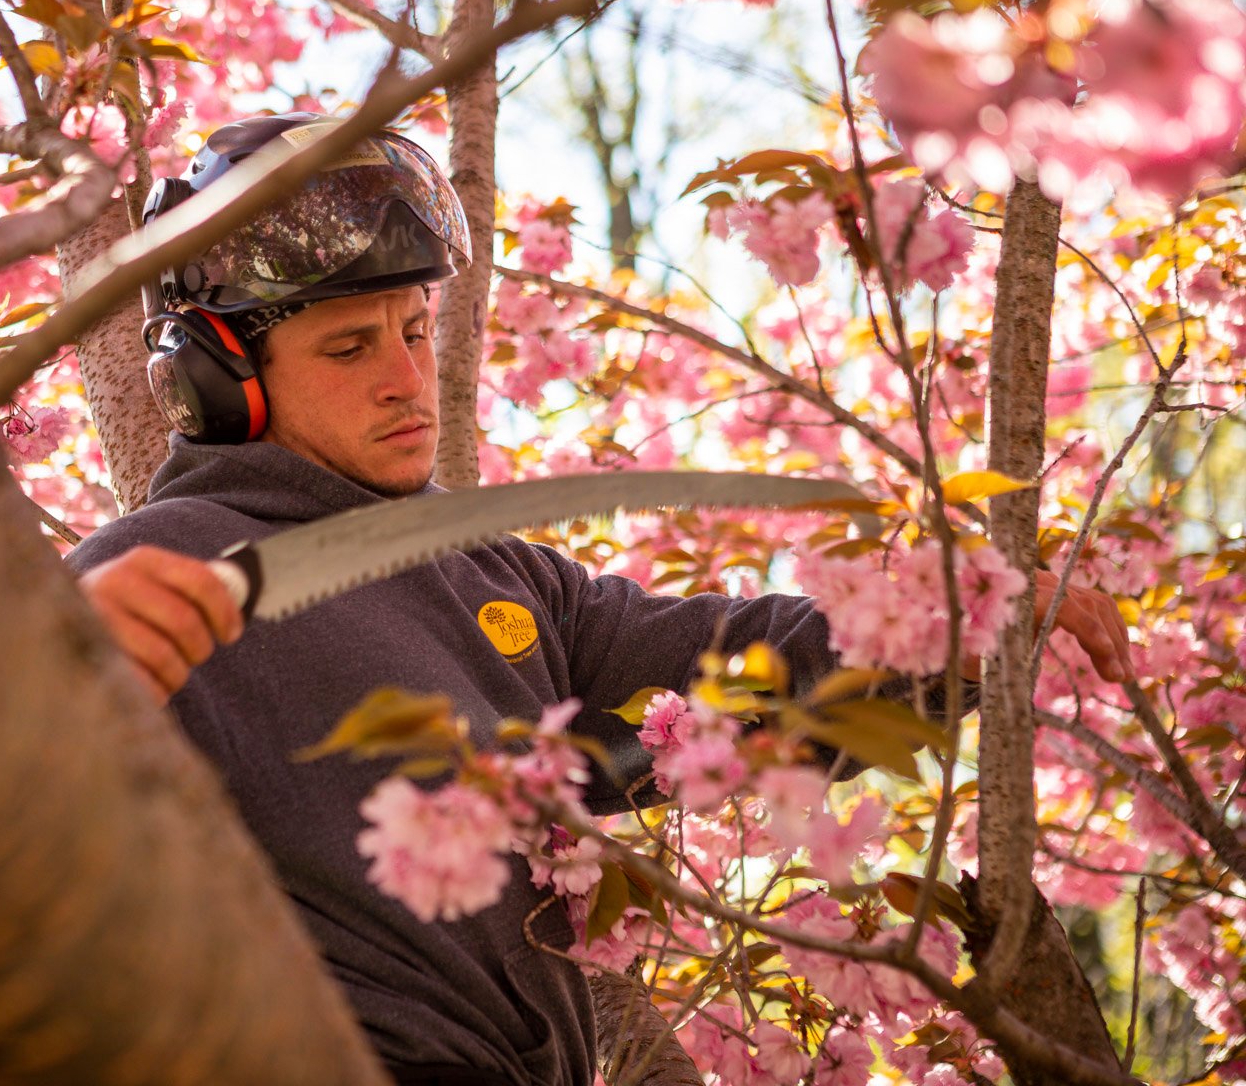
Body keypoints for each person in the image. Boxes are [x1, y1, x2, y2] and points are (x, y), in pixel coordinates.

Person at [67, 113, 1135, 1086]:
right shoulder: (153, 574)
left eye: (415, 328)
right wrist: (62, 667)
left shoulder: (492, 573)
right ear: (217, 382)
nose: (406, 377)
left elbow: (734, 671)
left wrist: (962, 625)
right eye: (349, 347)